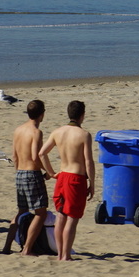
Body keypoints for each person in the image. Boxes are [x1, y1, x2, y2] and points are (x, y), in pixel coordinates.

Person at [39, 100, 95, 261]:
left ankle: (60, 254)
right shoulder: (84, 134)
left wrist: (51, 173)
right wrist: (92, 183)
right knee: (72, 217)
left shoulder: (57, 132)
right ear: (82, 115)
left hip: (62, 176)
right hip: (76, 178)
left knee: (61, 216)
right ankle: (66, 255)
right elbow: (88, 161)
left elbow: (42, 153)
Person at [4, 100, 51, 256]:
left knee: (21, 212)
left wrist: (18, 171)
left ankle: (7, 246)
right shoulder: (36, 132)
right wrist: (49, 171)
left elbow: (14, 156)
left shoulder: (18, 130)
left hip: (20, 172)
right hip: (32, 173)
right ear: (42, 114)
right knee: (40, 213)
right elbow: (35, 157)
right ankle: (27, 249)